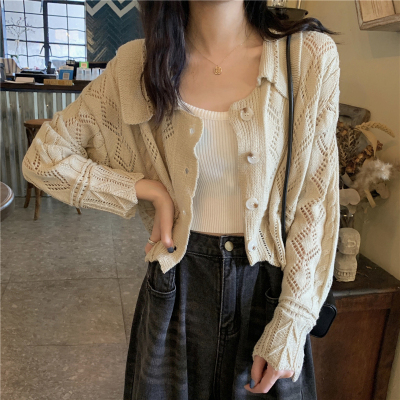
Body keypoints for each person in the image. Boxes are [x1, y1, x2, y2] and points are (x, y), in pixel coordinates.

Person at [22, 1, 341, 399]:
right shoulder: (136, 65)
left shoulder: (307, 57)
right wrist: (147, 189)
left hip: (270, 291)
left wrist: (293, 319)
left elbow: (315, 199)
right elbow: (45, 158)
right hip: (176, 283)